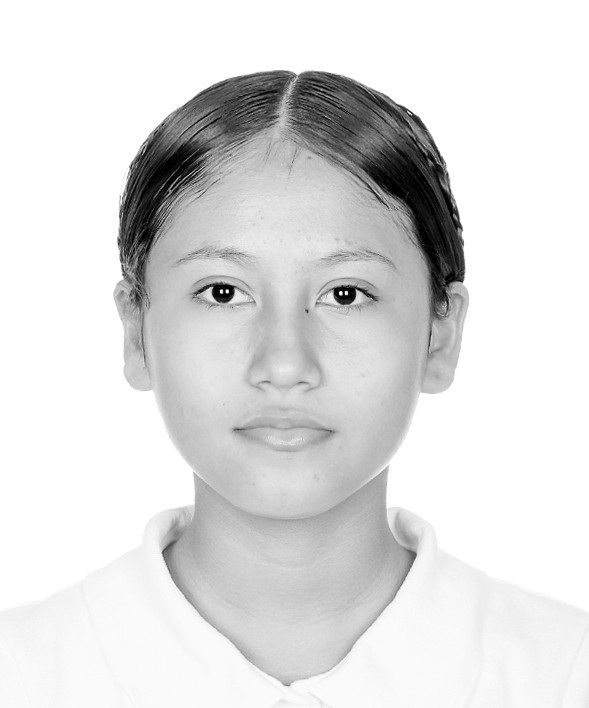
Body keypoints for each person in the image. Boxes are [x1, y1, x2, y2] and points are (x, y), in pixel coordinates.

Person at [0, 69, 587, 707]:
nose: (284, 365)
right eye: (222, 292)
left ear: (439, 335)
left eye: (346, 294)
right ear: (137, 332)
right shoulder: (23, 674)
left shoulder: (564, 673)